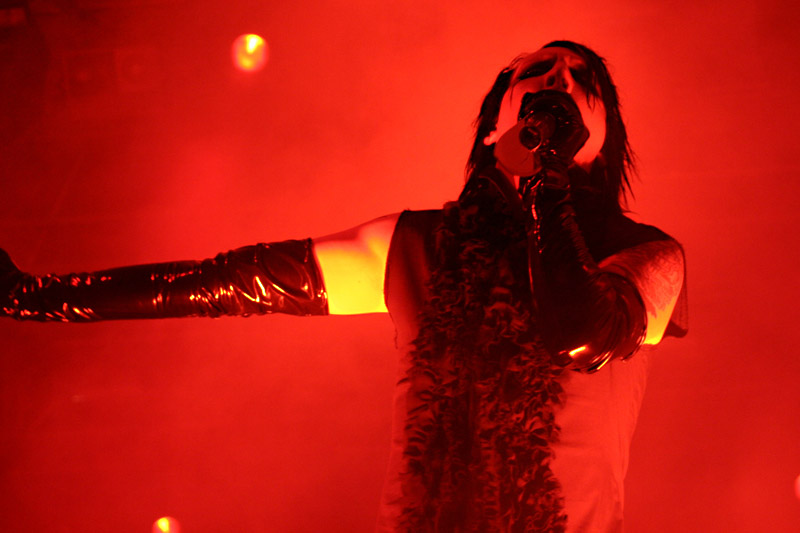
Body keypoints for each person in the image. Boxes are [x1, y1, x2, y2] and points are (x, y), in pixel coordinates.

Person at [1, 40, 686, 532]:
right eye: (537, 72)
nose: (559, 79)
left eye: (584, 81)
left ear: (601, 138)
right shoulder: (419, 245)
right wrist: (31, 296)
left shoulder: (649, 255)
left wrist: (545, 174)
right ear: (490, 129)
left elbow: (580, 332)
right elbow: (226, 282)